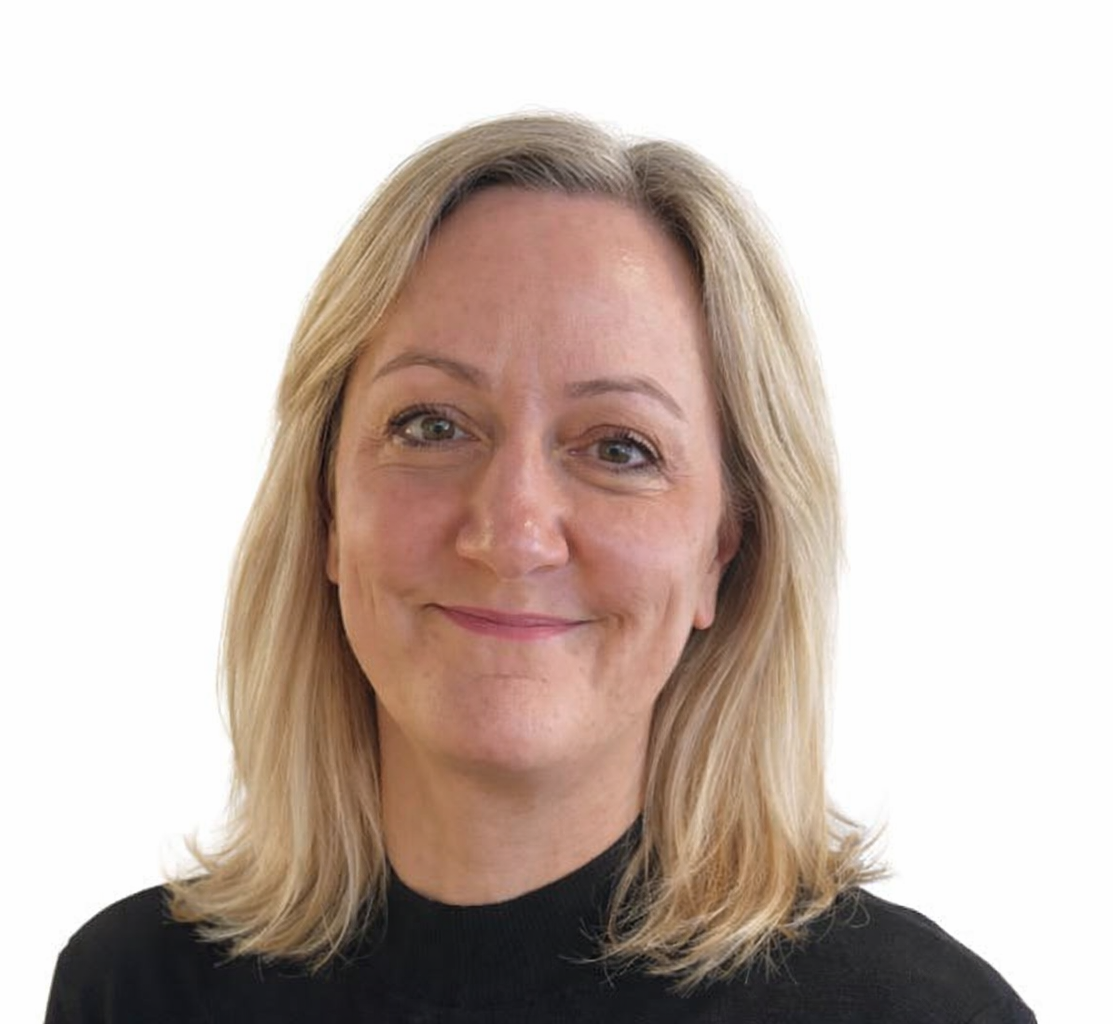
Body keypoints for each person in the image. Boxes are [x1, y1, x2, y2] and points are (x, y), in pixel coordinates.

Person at [44, 113, 1035, 1023]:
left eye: (619, 448)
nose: (513, 533)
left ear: (723, 550)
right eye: (431, 426)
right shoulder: (134, 991)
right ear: (327, 508)